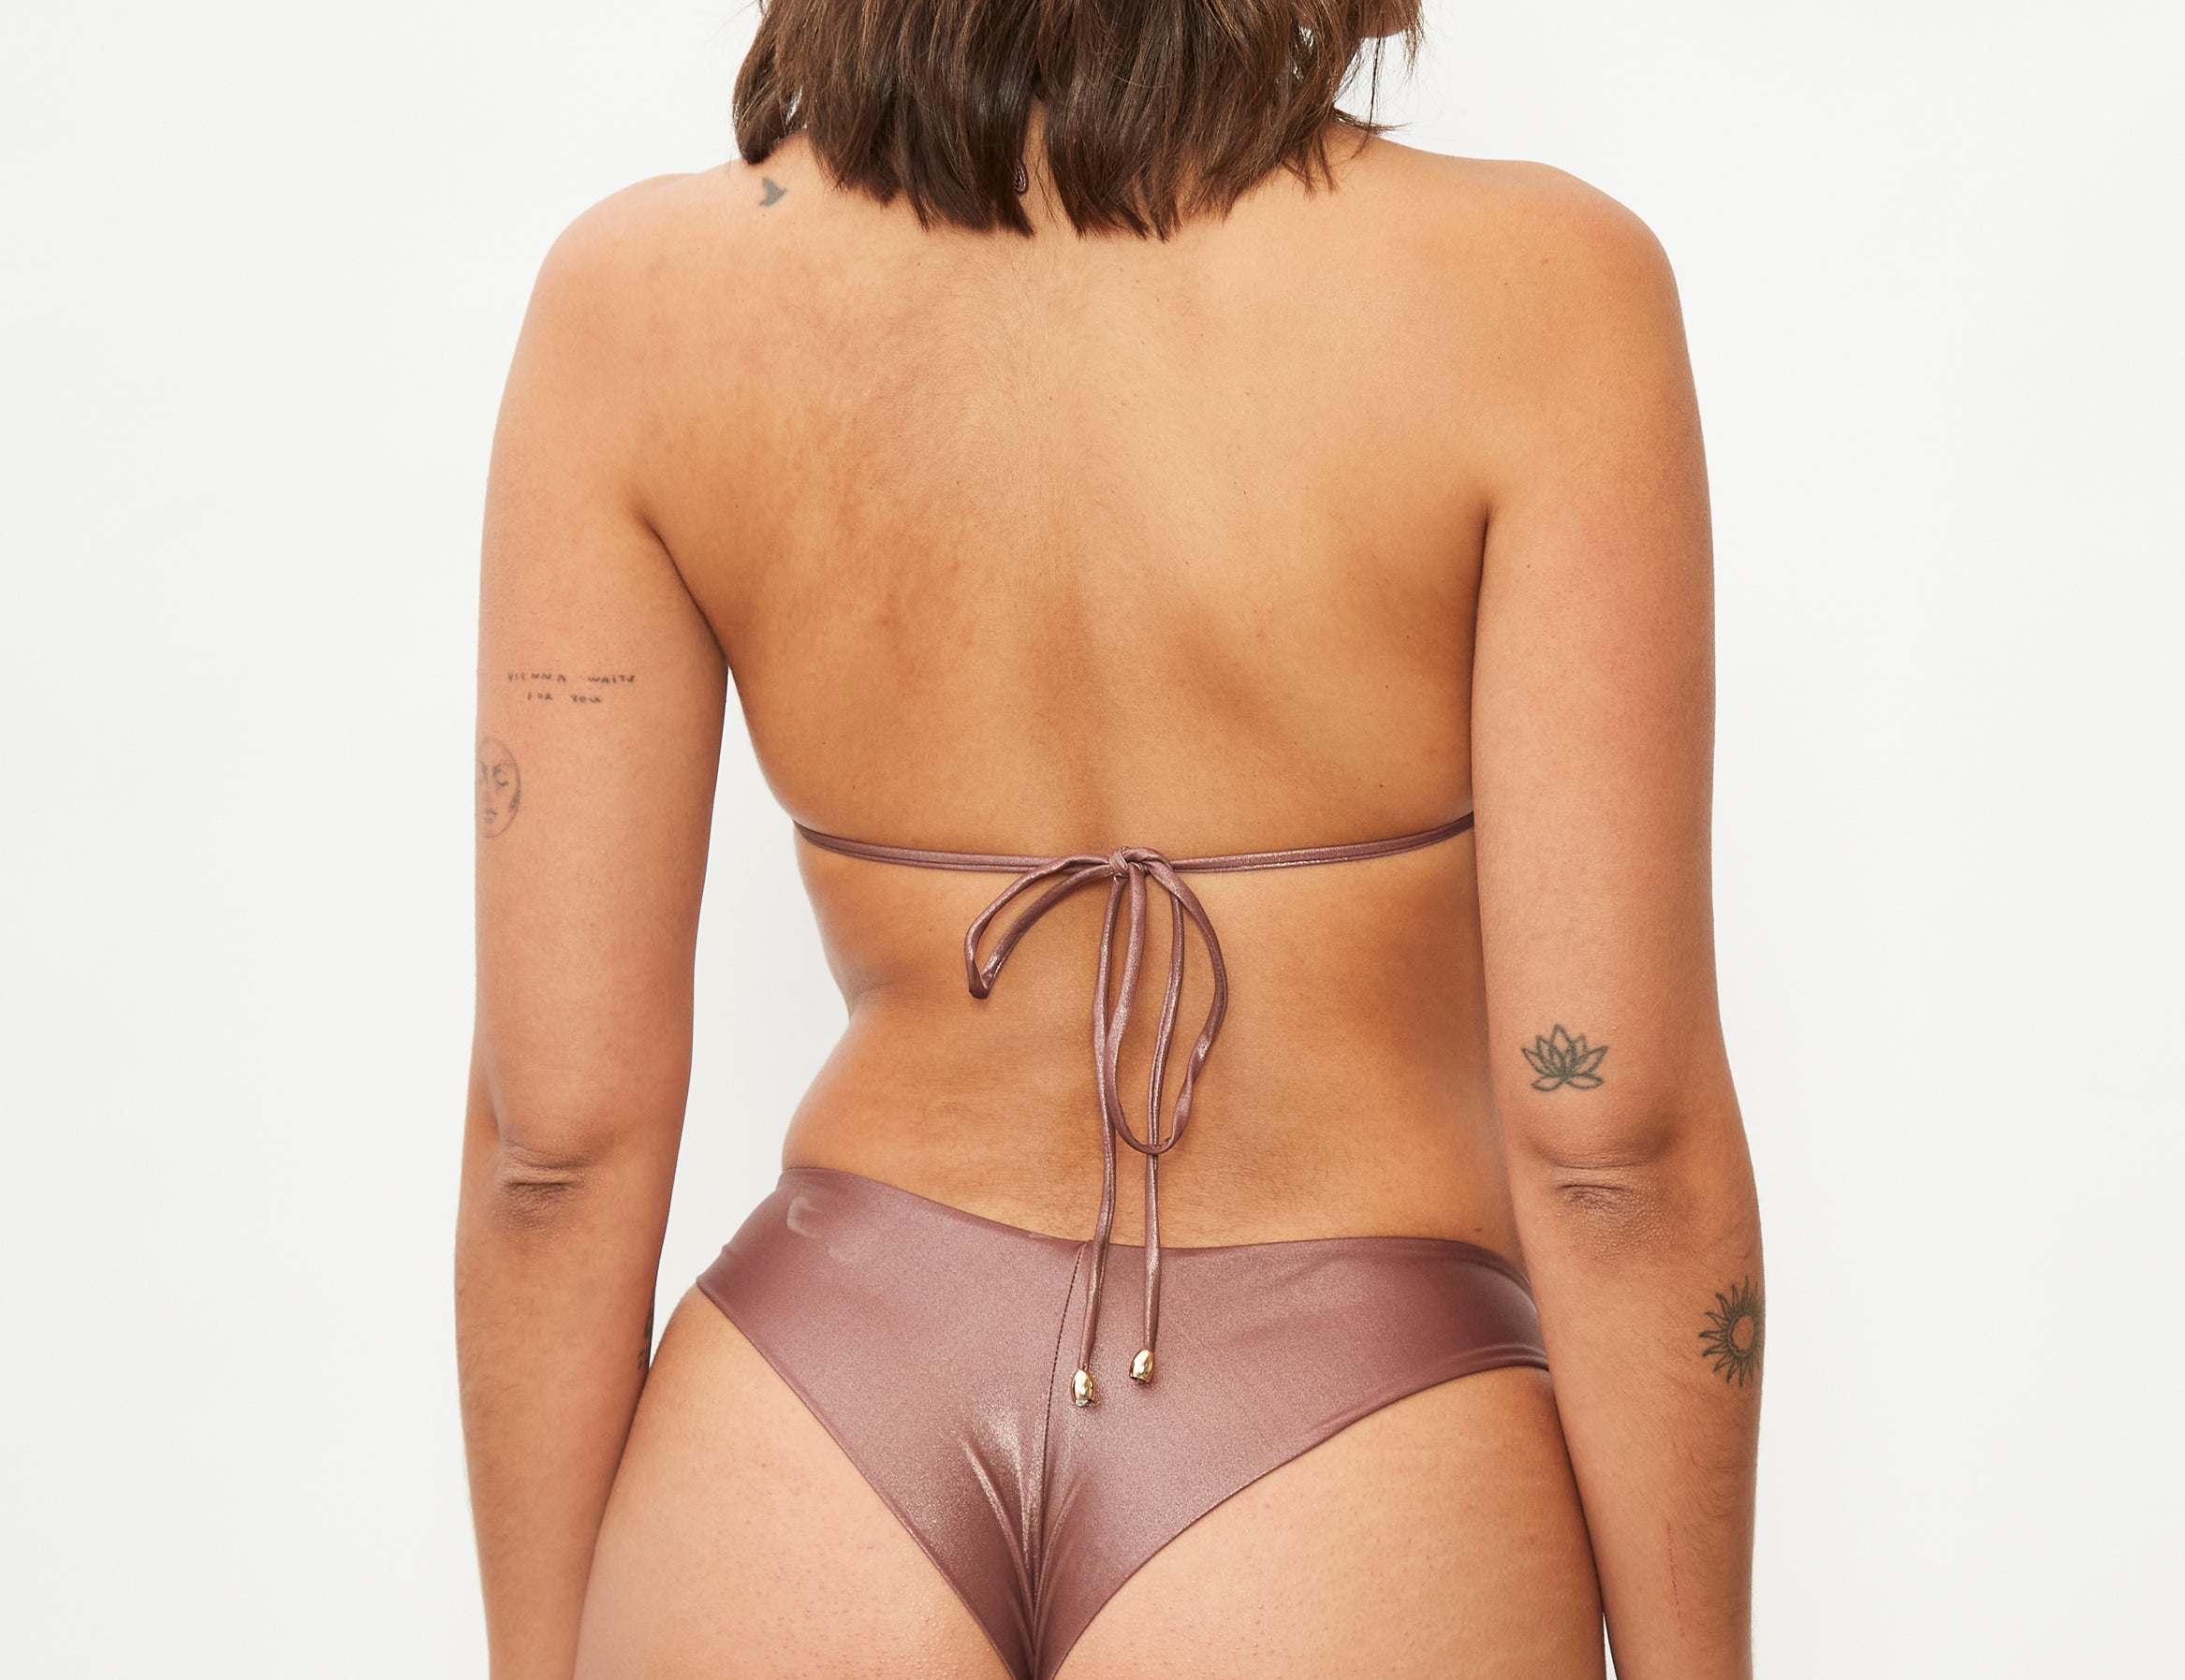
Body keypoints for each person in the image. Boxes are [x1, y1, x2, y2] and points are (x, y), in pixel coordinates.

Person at [455, 1, 1764, 1674]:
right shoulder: (1539, 287)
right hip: (1354, 1446)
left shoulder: (637, 299)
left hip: (801, 1434)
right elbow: (1609, 1147)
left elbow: (551, 1146)